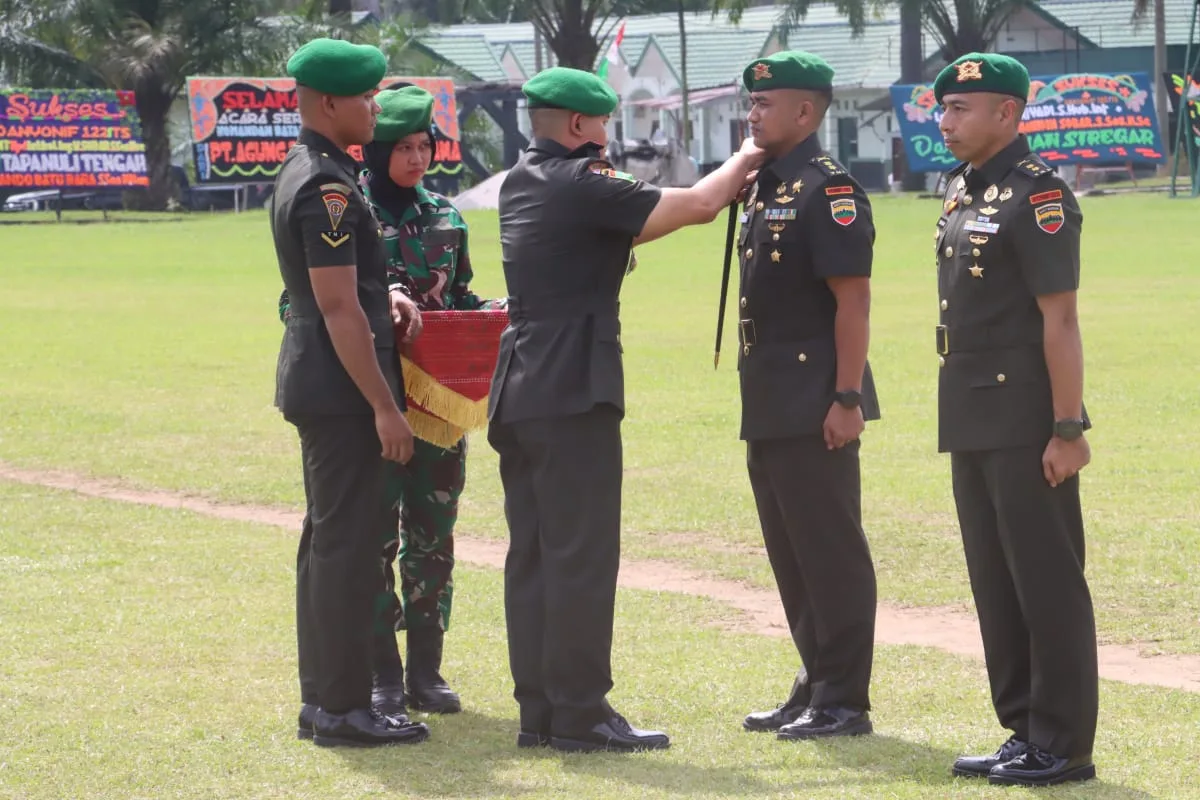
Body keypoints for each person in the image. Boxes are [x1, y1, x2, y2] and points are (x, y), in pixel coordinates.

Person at [486, 66, 764, 753]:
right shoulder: (583, 183)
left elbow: (607, 236)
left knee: (534, 555)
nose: (608, 134)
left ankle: (540, 710)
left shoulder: (523, 180)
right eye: (604, 122)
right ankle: (581, 713)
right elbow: (701, 204)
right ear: (579, 124)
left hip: (520, 383)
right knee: (580, 554)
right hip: (573, 386)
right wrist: (751, 150)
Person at [279, 86, 503, 717]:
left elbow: (459, 296)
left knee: (433, 534)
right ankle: (381, 670)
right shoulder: (347, 206)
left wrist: (493, 313)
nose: (416, 158)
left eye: (424, 146)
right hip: (368, 398)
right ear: (376, 151)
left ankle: (426, 669)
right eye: (402, 147)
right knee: (372, 536)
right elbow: (300, 301)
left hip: (439, 405)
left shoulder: (447, 217)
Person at [933, 52, 1097, 787]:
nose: (946, 120)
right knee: (995, 581)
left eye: (961, 108)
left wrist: (1068, 428)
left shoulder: (1040, 195)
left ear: (1007, 113)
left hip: (1027, 416)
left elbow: (1060, 320)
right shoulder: (960, 188)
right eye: (944, 107)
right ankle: (1023, 729)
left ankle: (1063, 744)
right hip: (969, 410)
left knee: (1045, 581)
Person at [271, 37, 428, 748]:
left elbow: (341, 289)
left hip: (325, 382)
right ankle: (342, 708)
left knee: (330, 543)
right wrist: (384, 408)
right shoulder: (327, 186)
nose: (375, 108)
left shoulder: (314, 168)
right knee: (348, 548)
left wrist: (382, 292)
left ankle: (325, 701)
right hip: (343, 392)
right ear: (330, 103)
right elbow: (337, 307)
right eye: (366, 97)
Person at [732, 51, 880, 742]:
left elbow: (854, 301)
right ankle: (816, 679)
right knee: (789, 550)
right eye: (751, 102)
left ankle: (844, 698)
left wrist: (847, 396)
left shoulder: (829, 188)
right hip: (768, 391)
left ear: (805, 111)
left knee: (829, 549)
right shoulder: (765, 183)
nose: (752, 113)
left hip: (816, 393)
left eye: (765, 103)